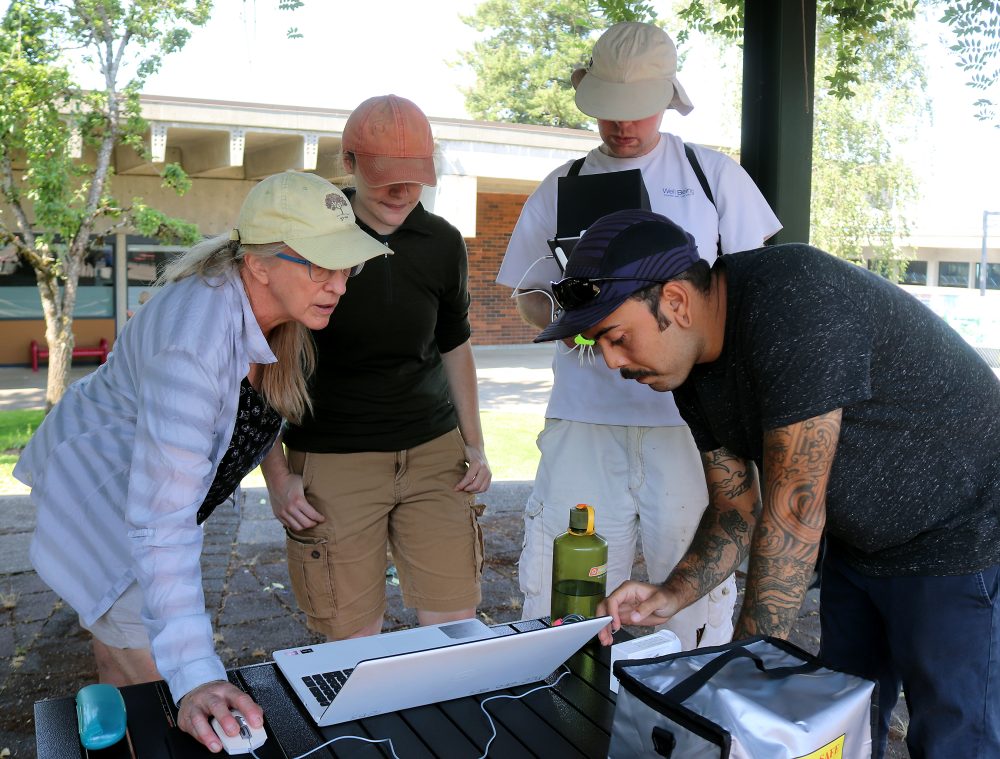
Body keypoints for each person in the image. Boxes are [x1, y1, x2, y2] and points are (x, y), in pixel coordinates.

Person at [536, 208, 1000, 758]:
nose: (612, 362)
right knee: (839, 715)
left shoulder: (796, 302)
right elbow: (736, 508)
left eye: (616, 337)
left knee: (954, 732)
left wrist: (744, 680)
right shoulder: (688, 368)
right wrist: (672, 592)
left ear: (677, 302)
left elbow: (794, 511)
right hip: (860, 541)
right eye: (599, 345)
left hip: (958, 531)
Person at [14, 171, 387, 752]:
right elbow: (160, 522)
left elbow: (256, 421)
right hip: (109, 508)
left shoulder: (276, 316)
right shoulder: (194, 339)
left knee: (127, 664)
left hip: (148, 506)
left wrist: (281, 479)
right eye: (320, 263)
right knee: (160, 689)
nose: (338, 284)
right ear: (260, 263)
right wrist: (199, 675)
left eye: (347, 265)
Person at [495, 21, 780, 647]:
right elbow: (526, 296)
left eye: (638, 110)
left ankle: (689, 722)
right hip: (586, 414)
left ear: (668, 98)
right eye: (609, 111)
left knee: (693, 590)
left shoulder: (713, 177)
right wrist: (573, 318)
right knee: (568, 588)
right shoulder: (560, 185)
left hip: (692, 421)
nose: (623, 126)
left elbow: (751, 294)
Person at [261, 95, 491, 641]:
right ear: (349, 163)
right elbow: (261, 361)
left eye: (414, 178)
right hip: (334, 458)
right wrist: (276, 477)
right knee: (350, 638)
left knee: (455, 628)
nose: (401, 192)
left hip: (435, 454)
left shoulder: (442, 242)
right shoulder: (309, 240)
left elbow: (455, 346)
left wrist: (474, 444)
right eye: (386, 176)